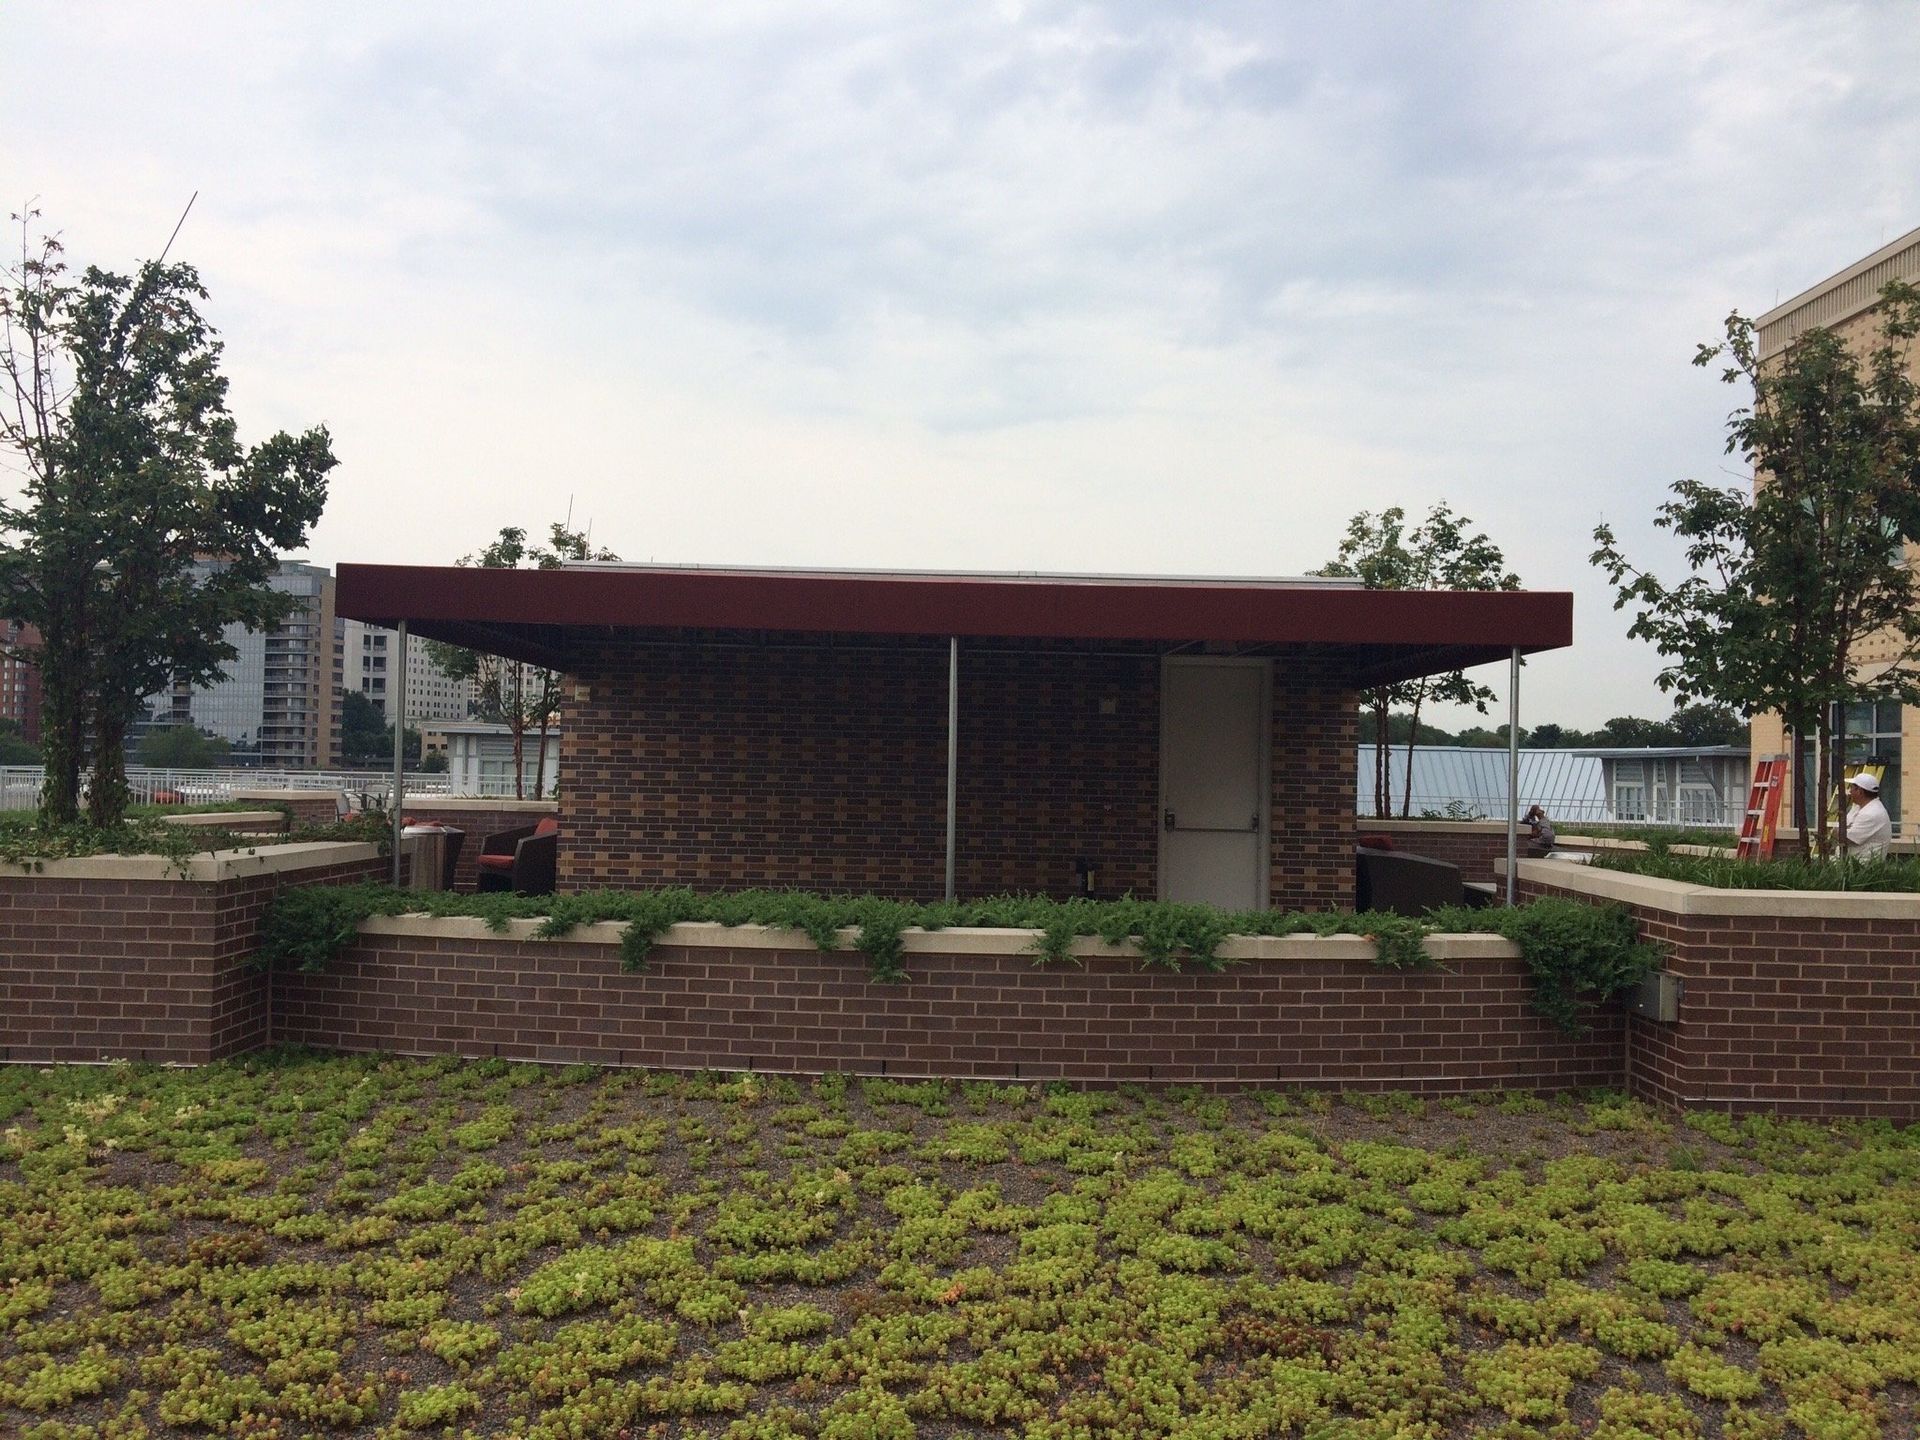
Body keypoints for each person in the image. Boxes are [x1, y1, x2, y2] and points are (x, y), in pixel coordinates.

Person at [1838, 773, 1892, 860]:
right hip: (1850, 864)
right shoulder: (1857, 807)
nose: (1850, 791)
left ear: (1860, 791)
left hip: (1862, 867)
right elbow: (1843, 827)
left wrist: (1835, 831)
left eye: (1851, 788)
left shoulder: (1872, 813)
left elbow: (1846, 837)